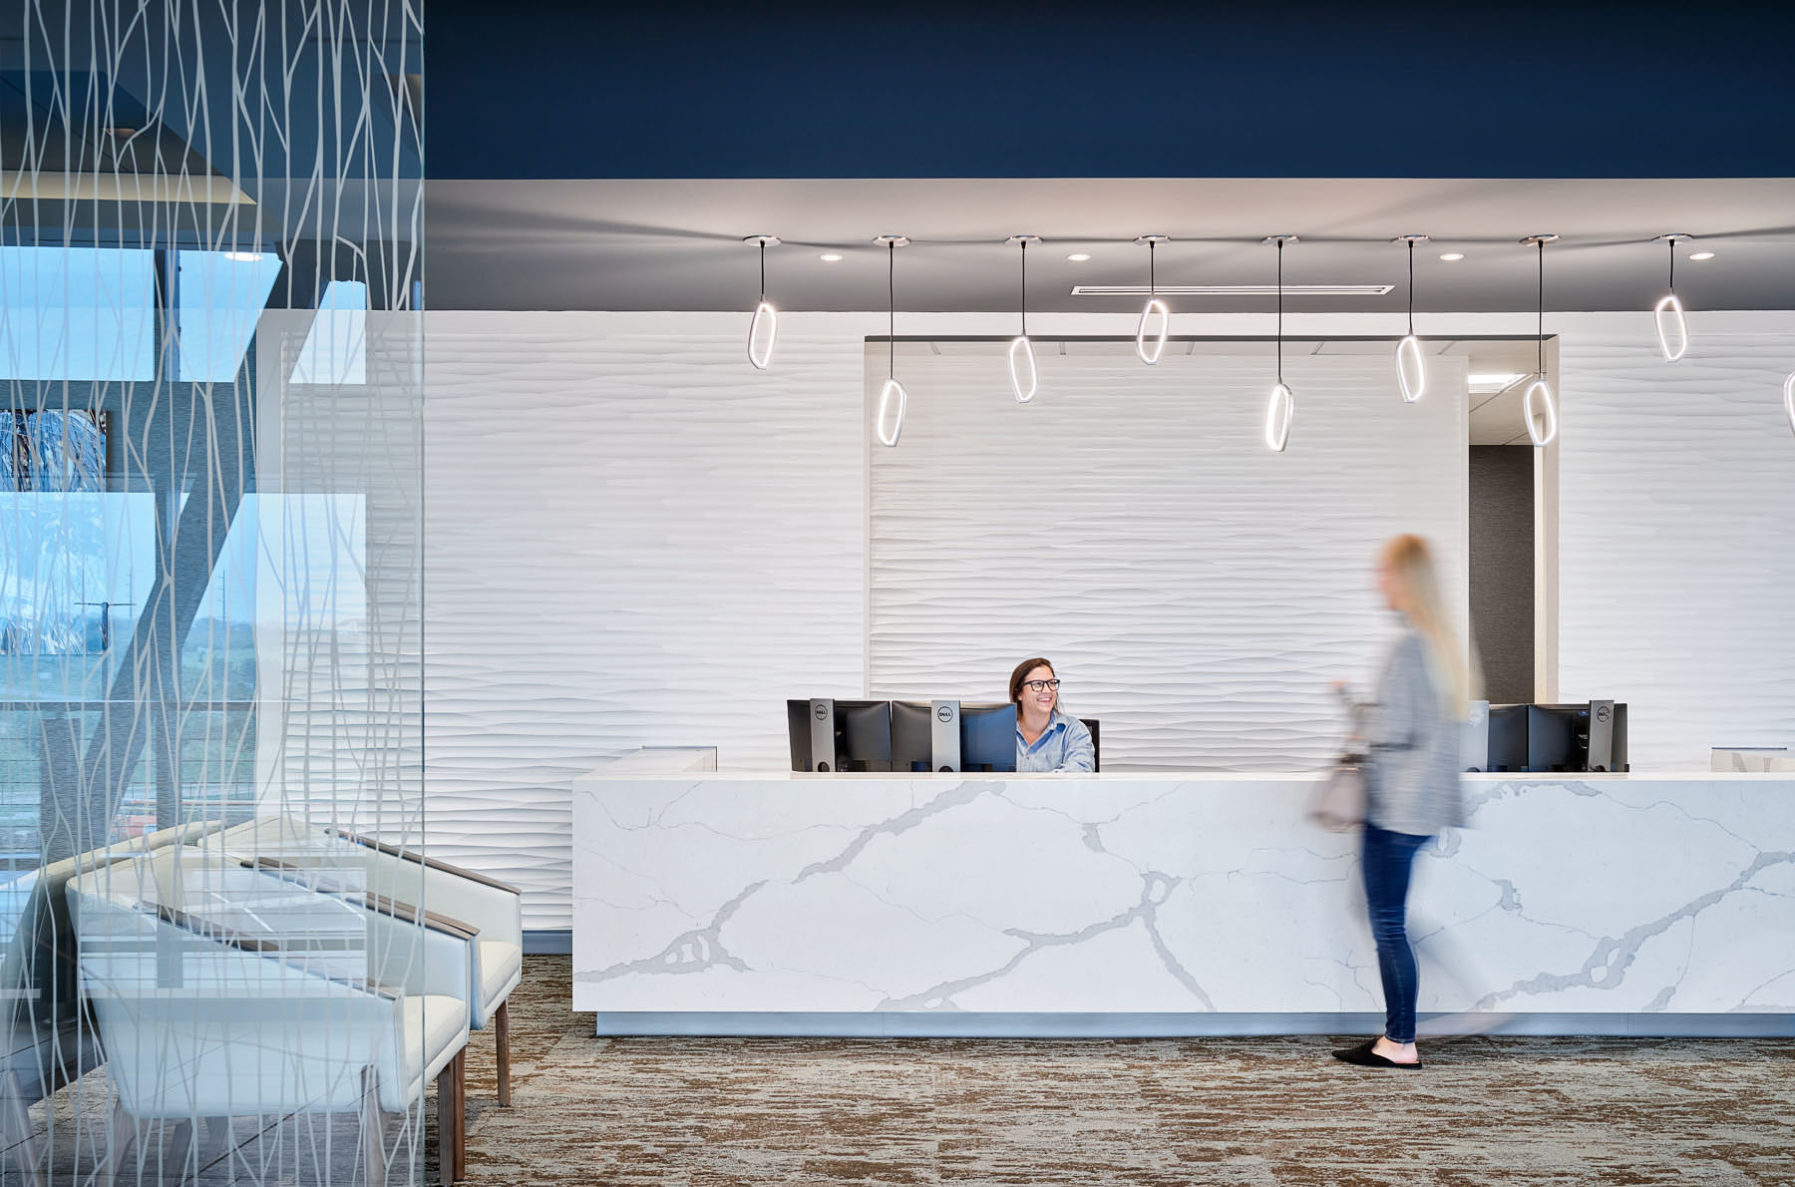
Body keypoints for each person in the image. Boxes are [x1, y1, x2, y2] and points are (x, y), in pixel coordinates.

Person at [1332, 535, 1475, 1071]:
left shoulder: (1409, 647)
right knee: (1386, 917)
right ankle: (1402, 1031)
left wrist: (1348, 700)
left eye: (1385, 574)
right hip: (1420, 809)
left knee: (1387, 921)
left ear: (1406, 580)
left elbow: (1389, 729)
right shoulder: (1439, 647)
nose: (1378, 583)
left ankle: (1401, 1040)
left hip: (1396, 807)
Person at [1010, 657, 1095, 773]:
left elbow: (1080, 771)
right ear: (1019, 693)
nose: (1047, 690)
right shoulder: (999, 731)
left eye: (1051, 683)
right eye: (1038, 684)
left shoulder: (1074, 730)